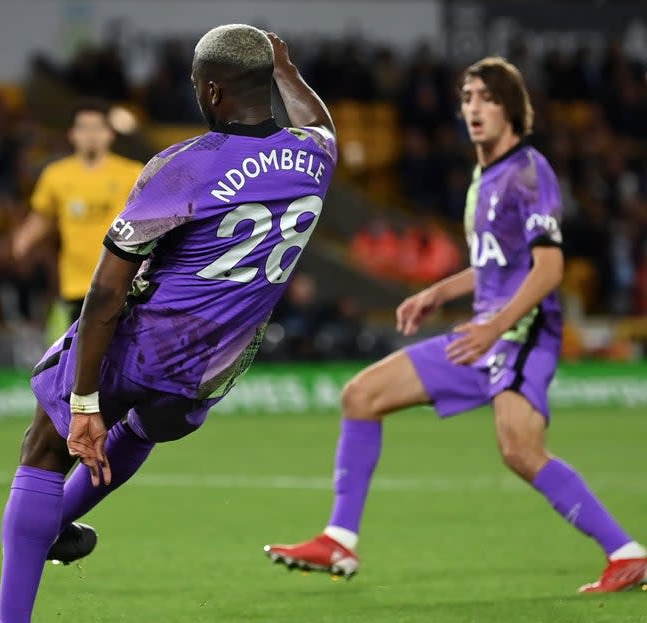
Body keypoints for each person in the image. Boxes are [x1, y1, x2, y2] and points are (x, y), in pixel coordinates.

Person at [0, 25, 337, 623]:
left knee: (45, 445)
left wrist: (85, 399)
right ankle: (58, 527)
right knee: (144, 427)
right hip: (213, 368)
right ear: (270, 83)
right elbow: (322, 121)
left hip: (144, 344)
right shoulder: (315, 156)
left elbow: (104, 295)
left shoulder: (187, 164)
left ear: (210, 89)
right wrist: (286, 64)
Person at [264, 57, 647, 594]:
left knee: (520, 450)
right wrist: (438, 292)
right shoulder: (484, 177)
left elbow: (549, 269)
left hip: (521, 335)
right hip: (483, 335)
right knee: (361, 396)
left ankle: (628, 554)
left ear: (511, 108)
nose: (473, 108)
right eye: (467, 97)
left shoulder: (528, 171)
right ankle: (340, 539)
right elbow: (496, 263)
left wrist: (495, 328)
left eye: (486, 98)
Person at [12, 100, 142, 339]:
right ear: (72, 134)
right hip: (77, 284)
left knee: (122, 354)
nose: (91, 135)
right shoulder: (56, 175)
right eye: (84, 128)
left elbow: (149, 219)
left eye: (97, 128)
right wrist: (23, 240)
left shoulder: (132, 173)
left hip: (121, 282)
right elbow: (43, 216)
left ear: (109, 134)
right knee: (81, 357)